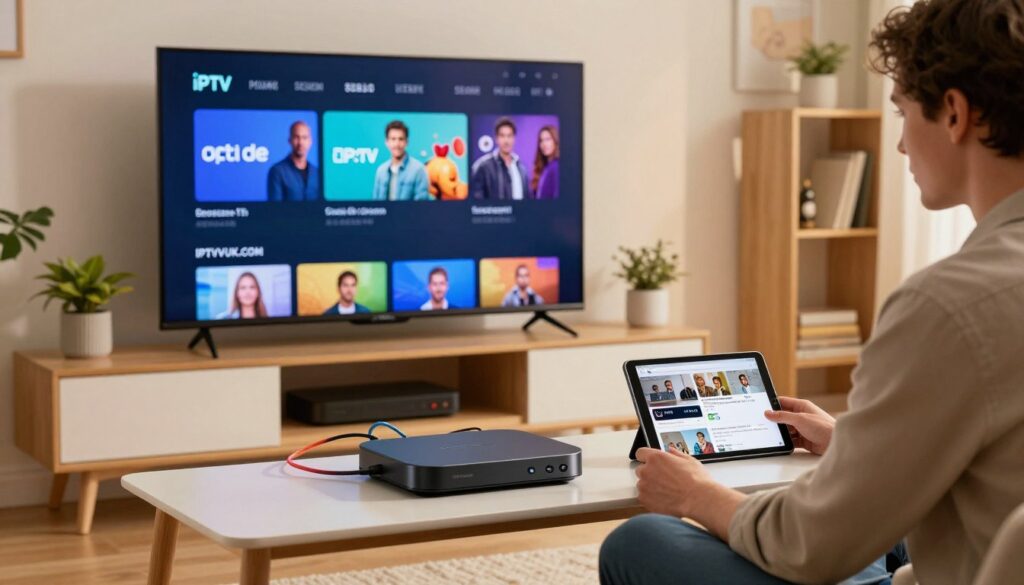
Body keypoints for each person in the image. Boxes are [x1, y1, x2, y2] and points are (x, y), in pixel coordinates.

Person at [600, 2, 1024, 584]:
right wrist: (856, 444)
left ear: (954, 113)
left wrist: (697, 493)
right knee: (882, 527)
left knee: (642, 541)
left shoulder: (948, 305)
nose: (899, 146)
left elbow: (809, 545)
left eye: (901, 113)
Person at [470, 118, 531, 200]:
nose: (506, 140)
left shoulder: (522, 169)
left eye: (509, 136)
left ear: (514, 139)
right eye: (502, 136)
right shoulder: (483, 166)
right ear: (496, 139)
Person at [372, 120, 430, 201]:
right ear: (387, 142)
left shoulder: (418, 170)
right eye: (393, 139)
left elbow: (421, 206)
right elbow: (375, 205)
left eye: (401, 139)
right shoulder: (381, 171)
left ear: (407, 142)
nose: (397, 144)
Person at [267, 121, 320, 201]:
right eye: (296, 137)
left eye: (304, 137)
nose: (300, 142)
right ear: (290, 140)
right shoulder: (277, 171)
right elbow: (274, 208)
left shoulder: (317, 172)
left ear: (310, 142)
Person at [532, 125, 560, 199]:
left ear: (555, 141)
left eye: (548, 139)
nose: (544, 144)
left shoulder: (557, 167)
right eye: (541, 140)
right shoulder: (544, 167)